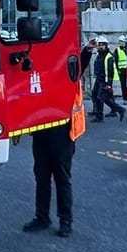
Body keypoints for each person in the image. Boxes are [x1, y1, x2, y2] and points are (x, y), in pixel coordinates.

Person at [23, 79, 84, 238]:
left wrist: (89, 52)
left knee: (61, 177)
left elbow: (80, 63)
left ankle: (65, 220)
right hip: (41, 129)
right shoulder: (40, 66)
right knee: (41, 176)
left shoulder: (67, 65)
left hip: (62, 130)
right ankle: (42, 217)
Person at [88, 41, 125, 122]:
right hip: (99, 78)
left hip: (105, 80)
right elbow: (97, 65)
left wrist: (108, 83)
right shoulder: (99, 54)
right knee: (97, 95)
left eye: (102, 45)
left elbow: (110, 70)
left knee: (100, 98)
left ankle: (100, 116)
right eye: (99, 45)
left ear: (105, 45)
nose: (100, 47)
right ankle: (119, 110)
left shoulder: (109, 56)